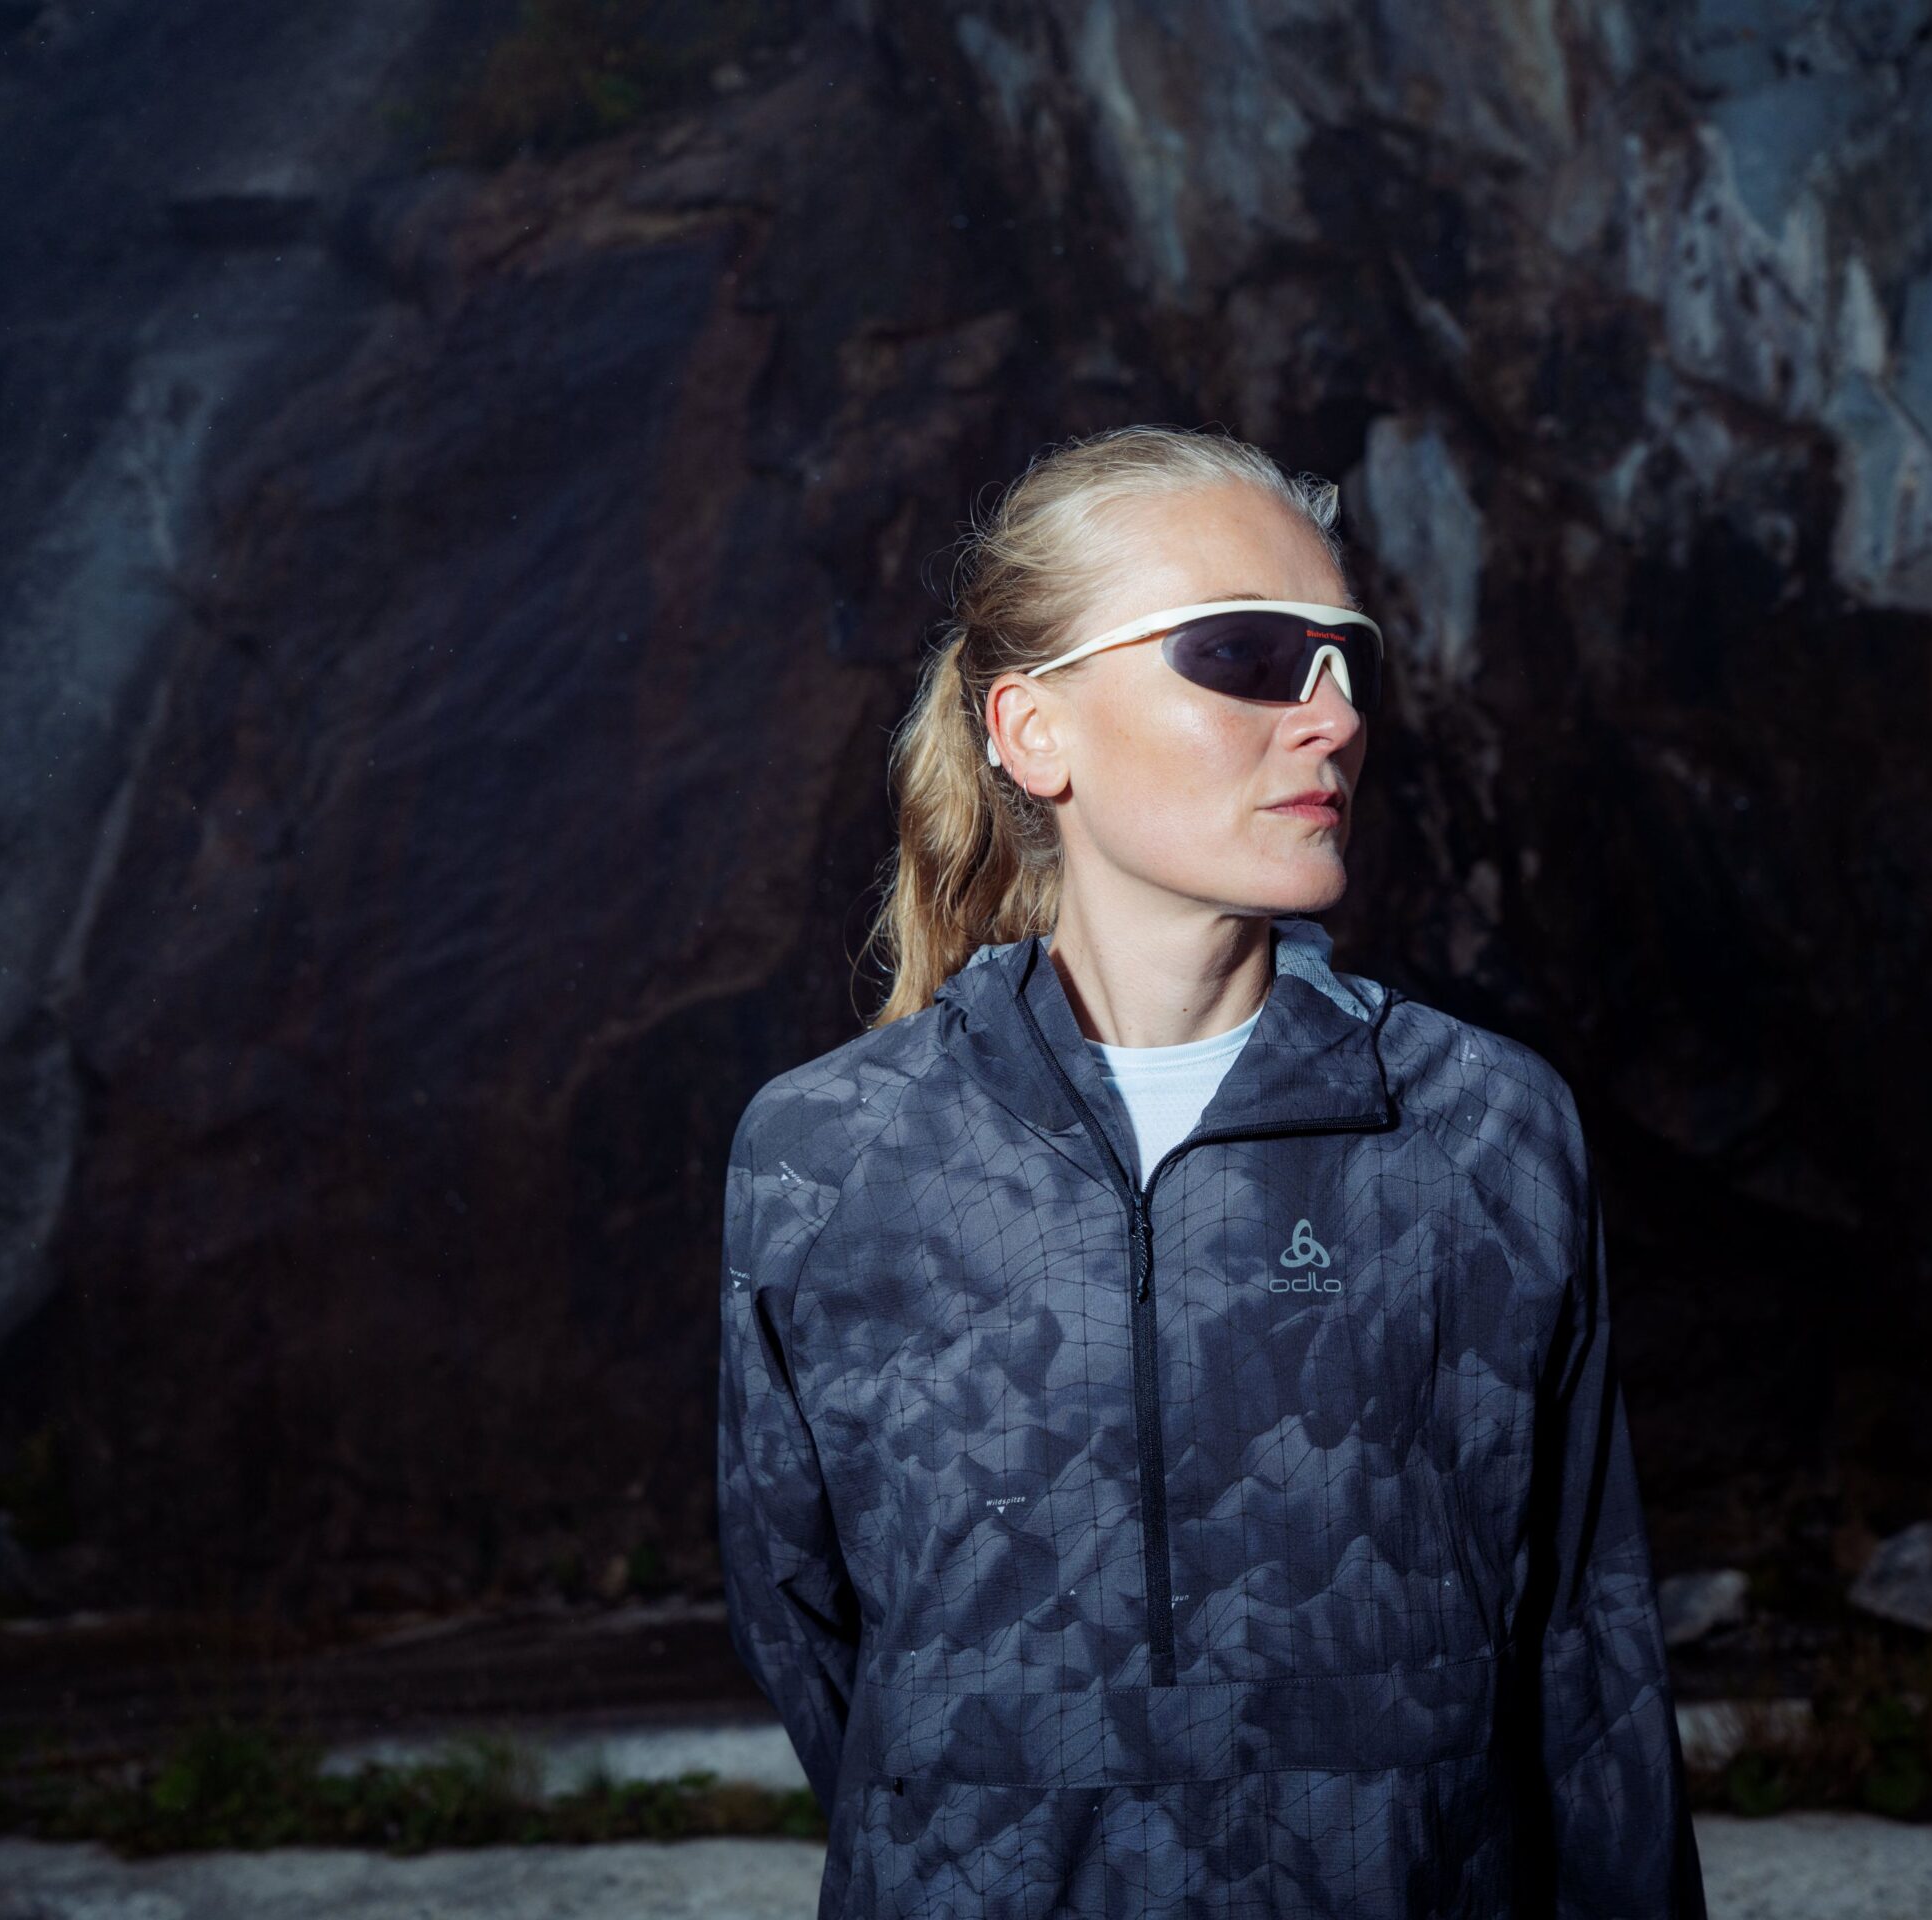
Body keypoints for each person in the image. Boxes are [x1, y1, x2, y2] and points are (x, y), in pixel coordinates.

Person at [716, 424, 1706, 1917]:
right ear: (1032, 731)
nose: (1333, 720)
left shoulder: (1478, 1129)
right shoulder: (831, 1157)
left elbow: (1588, 1651)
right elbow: (818, 1653)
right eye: (1245, 654)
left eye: (1347, 662)